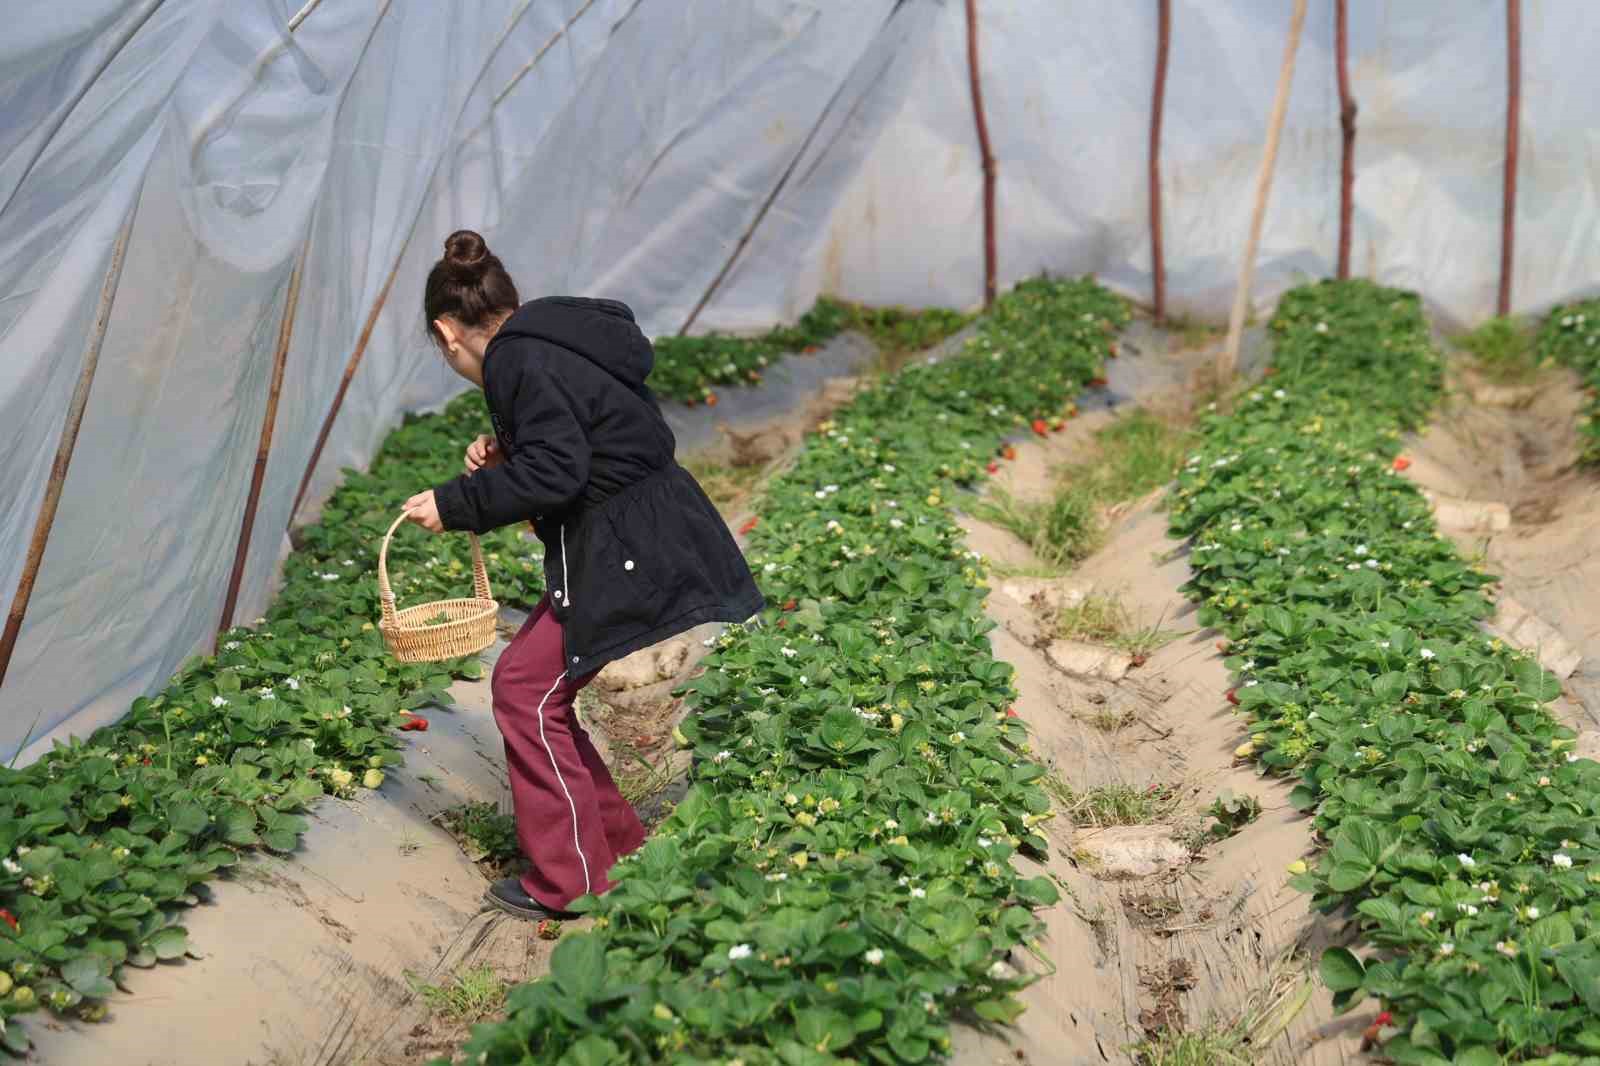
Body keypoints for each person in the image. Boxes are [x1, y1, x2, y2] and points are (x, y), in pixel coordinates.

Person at [401, 230, 763, 920]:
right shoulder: (549, 342)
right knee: (535, 693)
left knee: (524, 692)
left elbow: (559, 471)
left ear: (448, 333)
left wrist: (457, 503)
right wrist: (510, 452)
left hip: (625, 543)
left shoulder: (516, 362)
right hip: (639, 531)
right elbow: (587, 439)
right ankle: (614, 854)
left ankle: (570, 881)